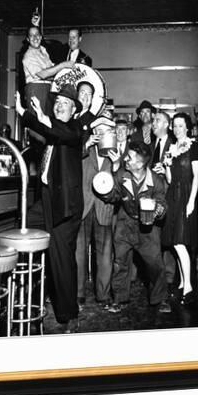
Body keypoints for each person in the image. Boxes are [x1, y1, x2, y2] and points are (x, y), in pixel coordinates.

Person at [15, 86, 84, 333]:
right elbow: (47, 129)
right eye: (58, 102)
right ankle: (23, 293)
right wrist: (24, 112)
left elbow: (61, 132)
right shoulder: (53, 131)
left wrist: (40, 117)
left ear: (75, 110)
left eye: (66, 103)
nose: (59, 105)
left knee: (61, 261)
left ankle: (70, 314)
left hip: (65, 205)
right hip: (46, 200)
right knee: (20, 228)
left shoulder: (76, 129)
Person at [101, 141, 172, 314]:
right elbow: (115, 195)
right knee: (120, 263)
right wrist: (106, 192)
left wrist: (158, 210)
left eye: (130, 157)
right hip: (126, 223)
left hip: (148, 227)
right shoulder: (122, 175)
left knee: (155, 264)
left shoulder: (155, 180)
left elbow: (162, 203)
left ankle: (160, 298)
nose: (126, 159)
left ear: (140, 164)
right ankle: (118, 299)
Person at [161, 112, 198, 305]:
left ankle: (189, 287)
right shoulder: (171, 147)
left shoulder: (194, 147)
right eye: (174, 126)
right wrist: (167, 166)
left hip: (186, 196)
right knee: (176, 242)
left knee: (180, 242)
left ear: (187, 127)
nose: (177, 129)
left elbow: (197, 176)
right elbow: (170, 180)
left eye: (180, 126)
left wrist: (192, 201)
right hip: (173, 197)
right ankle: (181, 284)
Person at [78, 116, 118, 308]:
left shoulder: (116, 155)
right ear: (94, 134)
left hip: (104, 208)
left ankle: (103, 294)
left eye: (106, 131)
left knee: (105, 254)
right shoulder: (85, 150)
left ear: (112, 133)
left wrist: (117, 165)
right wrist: (85, 145)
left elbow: (120, 184)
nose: (102, 135)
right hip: (84, 207)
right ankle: (78, 293)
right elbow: (69, 164)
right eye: (99, 132)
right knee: (79, 252)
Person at [150, 110, 178, 291]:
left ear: (167, 125)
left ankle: (169, 279)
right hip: (155, 197)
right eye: (154, 121)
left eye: (157, 121)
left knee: (168, 238)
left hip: (169, 197)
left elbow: (179, 174)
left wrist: (167, 170)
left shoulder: (174, 145)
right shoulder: (153, 144)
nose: (153, 123)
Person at [22, 26, 74, 116]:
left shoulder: (43, 50)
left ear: (41, 37)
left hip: (48, 88)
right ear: (27, 39)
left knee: (48, 122)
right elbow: (42, 74)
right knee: (38, 123)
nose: (35, 38)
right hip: (36, 89)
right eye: (31, 35)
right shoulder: (28, 55)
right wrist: (63, 65)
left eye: (37, 34)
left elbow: (51, 69)